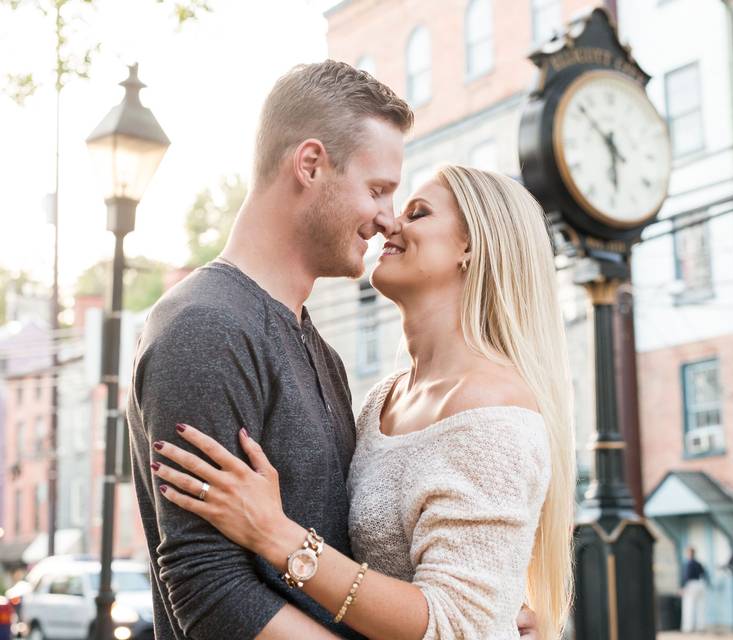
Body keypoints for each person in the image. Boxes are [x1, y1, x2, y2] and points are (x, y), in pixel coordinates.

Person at [127, 63, 546, 640]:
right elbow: (208, 590)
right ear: (310, 164)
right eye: (378, 190)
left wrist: (483, 610)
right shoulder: (206, 327)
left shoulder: (320, 352)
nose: (385, 219)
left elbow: (362, 558)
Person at [681, 546, 709, 632]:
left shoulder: (688, 563)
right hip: (700, 584)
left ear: (689, 553)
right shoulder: (699, 563)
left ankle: (688, 628)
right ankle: (701, 626)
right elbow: (705, 574)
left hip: (691, 585)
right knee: (701, 607)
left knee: (689, 606)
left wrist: (683, 587)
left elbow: (686, 576)